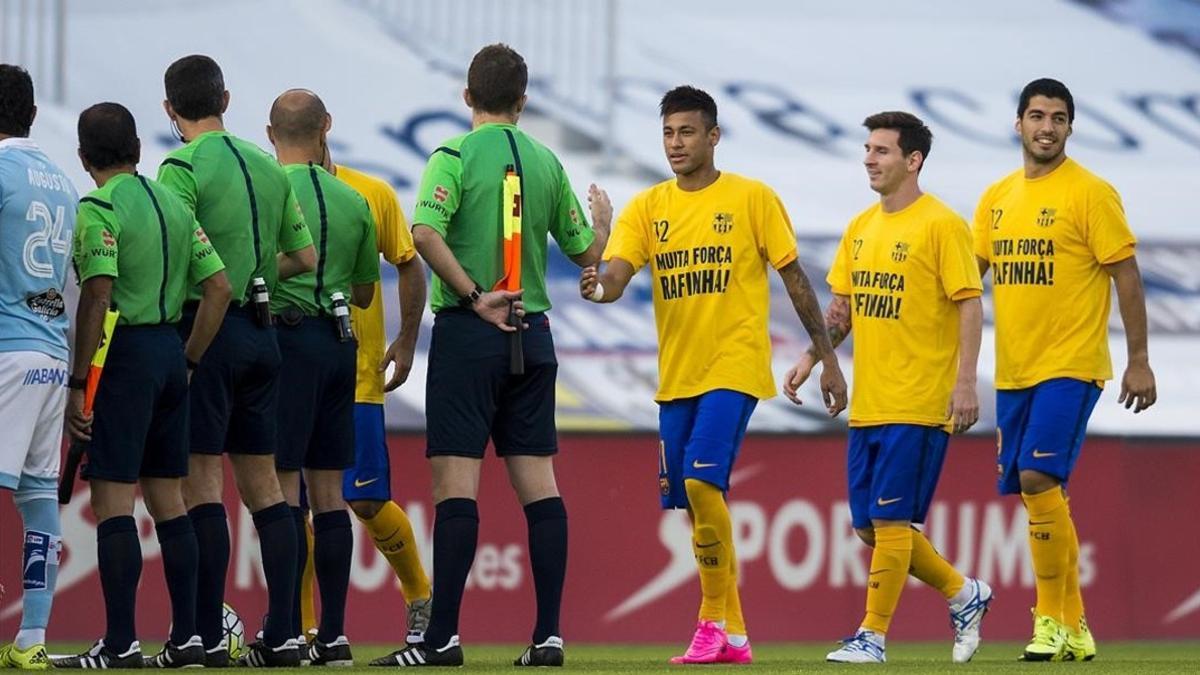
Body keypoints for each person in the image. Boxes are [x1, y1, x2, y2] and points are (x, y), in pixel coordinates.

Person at [580, 85, 848, 665]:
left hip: (734, 367)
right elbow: (615, 280)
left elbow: (796, 280)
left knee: (703, 485)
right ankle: (738, 635)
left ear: (713, 137)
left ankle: (708, 624)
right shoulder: (650, 207)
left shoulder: (753, 199)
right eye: (668, 133)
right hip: (677, 377)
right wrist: (597, 277)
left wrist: (826, 358)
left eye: (687, 132)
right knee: (696, 503)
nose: (676, 144)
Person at [371, 43, 610, 668]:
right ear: (524, 102)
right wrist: (605, 226)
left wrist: (476, 296)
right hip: (533, 335)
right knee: (540, 487)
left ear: (468, 96)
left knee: (457, 486)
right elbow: (588, 256)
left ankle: (442, 637)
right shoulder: (546, 162)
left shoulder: (452, 156)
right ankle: (549, 636)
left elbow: (424, 231)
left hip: (473, 334)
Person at [785, 111, 993, 664]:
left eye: (881, 150)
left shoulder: (942, 225)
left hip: (920, 400)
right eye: (868, 149)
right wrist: (812, 357)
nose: (868, 160)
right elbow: (842, 310)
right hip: (870, 403)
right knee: (867, 529)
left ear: (913, 160)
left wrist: (965, 382)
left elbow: (970, 304)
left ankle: (872, 636)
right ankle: (963, 592)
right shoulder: (861, 227)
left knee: (891, 521)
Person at [972, 78, 1156, 662]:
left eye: (1057, 118)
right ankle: (1075, 625)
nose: (1045, 127)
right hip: (1015, 371)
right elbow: (965, 283)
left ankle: (1050, 620)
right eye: (1035, 116)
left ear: (1071, 127)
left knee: (1036, 480)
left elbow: (1126, 275)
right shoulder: (996, 198)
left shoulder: (1091, 193)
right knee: (1039, 495)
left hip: (1071, 364)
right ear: (1018, 124)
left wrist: (1140, 361)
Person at [52, 103, 232, 669]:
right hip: (170, 356)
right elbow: (221, 287)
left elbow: (98, 295)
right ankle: (188, 641)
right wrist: (190, 359)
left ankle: (121, 642)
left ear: (84, 158)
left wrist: (79, 382)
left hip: (122, 357)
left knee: (112, 503)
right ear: (136, 148)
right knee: (169, 503)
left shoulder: (98, 208)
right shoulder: (175, 205)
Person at [157, 54, 316, 668]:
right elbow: (301, 257)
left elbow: (175, 255)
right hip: (263, 333)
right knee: (267, 491)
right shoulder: (268, 166)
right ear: (225, 97)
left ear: (170, 110)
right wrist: (251, 271)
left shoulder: (179, 166)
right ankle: (282, 636)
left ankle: (198, 635)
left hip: (207, 331)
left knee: (201, 485)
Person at [265, 89, 381, 667]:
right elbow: (364, 291)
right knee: (331, 494)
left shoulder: (267, 190)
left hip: (285, 342)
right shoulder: (354, 199)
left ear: (269, 133)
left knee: (285, 488)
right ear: (323, 130)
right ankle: (333, 636)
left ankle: (284, 632)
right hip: (340, 347)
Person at [324, 122, 432, 642]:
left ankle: (419, 594)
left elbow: (410, 266)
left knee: (364, 500)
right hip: (292, 378)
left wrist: (408, 338)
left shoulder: (371, 193)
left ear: (325, 130)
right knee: (295, 507)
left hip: (359, 377)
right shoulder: (272, 191)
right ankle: (301, 632)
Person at [0, 64, 76, 671]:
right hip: (52, 349)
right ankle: (32, 635)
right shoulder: (60, 181)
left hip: (8, 348)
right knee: (38, 496)